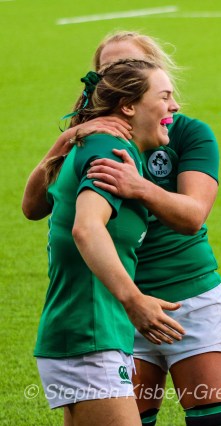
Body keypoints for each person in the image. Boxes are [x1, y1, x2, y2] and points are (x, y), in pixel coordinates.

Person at [23, 32, 221, 426]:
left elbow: (193, 216)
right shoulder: (98, 143)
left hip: (184, 297)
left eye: (130, 65)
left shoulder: (181, 132)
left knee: (216, 419)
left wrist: (138, 187)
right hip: (116, 307)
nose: (117, 73)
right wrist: (69, 136)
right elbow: (46, 212)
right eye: (109, 70)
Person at [33, 59, 185, 425]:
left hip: (87, 333)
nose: (175, 106)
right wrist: (134, 301)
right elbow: (86, 228)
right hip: (90, 335)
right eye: (164, 96)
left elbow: (31, 207)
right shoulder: (110, 151)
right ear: (128, 106)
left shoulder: (107, 147)